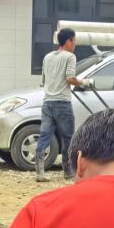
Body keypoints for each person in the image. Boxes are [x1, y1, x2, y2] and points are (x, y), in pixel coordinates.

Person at [35, 28, 86, 183]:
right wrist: (83, 82)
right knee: (68, 139)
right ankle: (68, 171)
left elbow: (44, 80)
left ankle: (40, 173)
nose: (75, 44)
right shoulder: (70, 56)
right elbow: (70, 78)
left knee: (44, 136)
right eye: (74, 41)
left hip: (47, 103)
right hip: (62, 103)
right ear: (68, 41)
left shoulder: (47, 57)